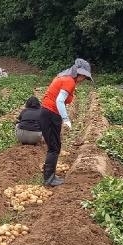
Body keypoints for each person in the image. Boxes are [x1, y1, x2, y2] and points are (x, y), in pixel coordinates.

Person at [39, 58, 92, 186]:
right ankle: (49, 178)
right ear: (80, 74)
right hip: (51, 114)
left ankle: (49, 175)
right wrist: (66, 118)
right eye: (84, 77)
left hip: (47, 113)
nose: (83, 80)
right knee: (54, 147)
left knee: (54, 146)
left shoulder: (63, 77)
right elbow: (59, 101)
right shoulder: (69, 81)